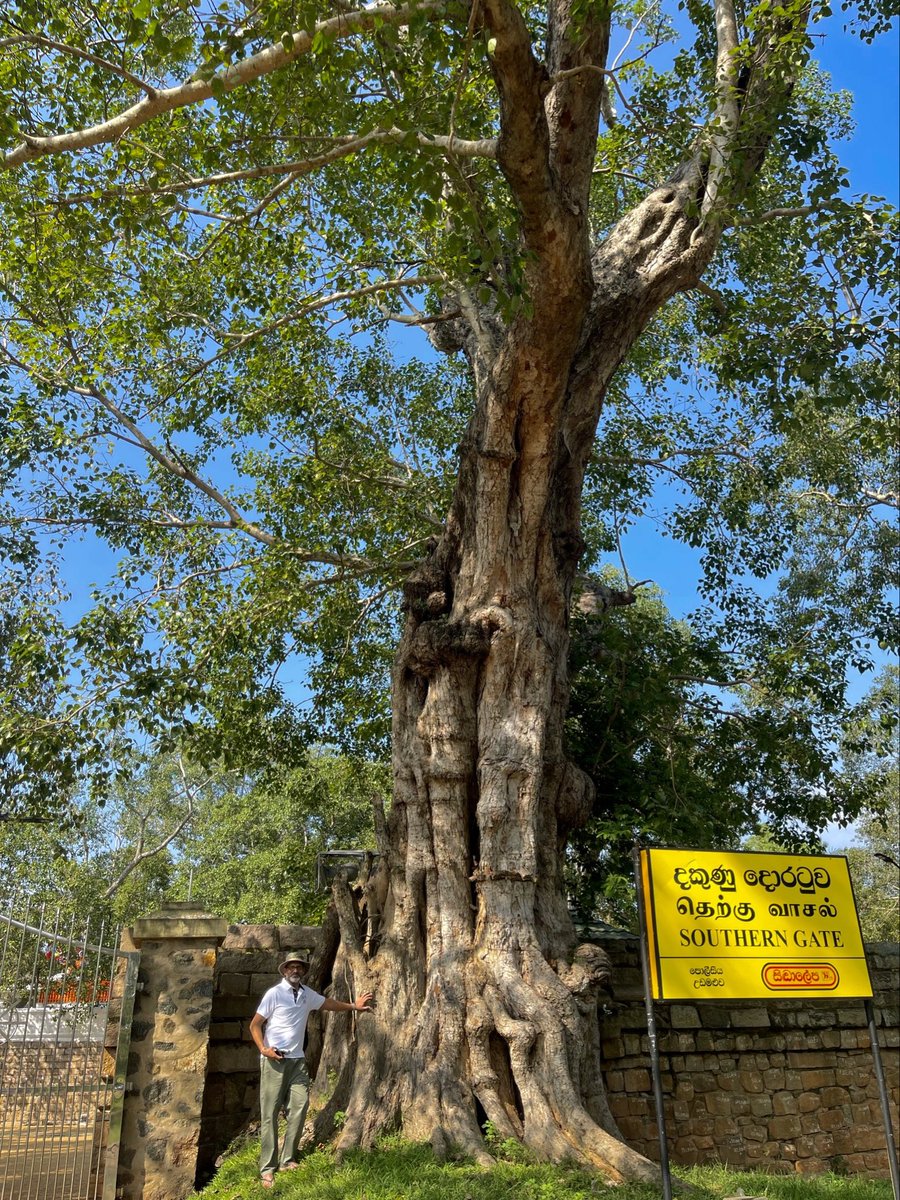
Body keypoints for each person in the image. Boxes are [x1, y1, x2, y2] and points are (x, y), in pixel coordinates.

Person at [249, 951, 374, 1188]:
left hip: (297, 1060)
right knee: (270, 1114)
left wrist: (354, 1006)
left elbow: (328, 1004)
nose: (295, 971)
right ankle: (267, 1168)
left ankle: (287, 1159)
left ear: (304, 971)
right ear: (284, 971)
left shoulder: (307, 995)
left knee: (299, 1106)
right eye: (291, 967)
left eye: (299, 967)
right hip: (274, 1060)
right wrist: (263, 1049)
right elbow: (255, 1025)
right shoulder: (274, 994)